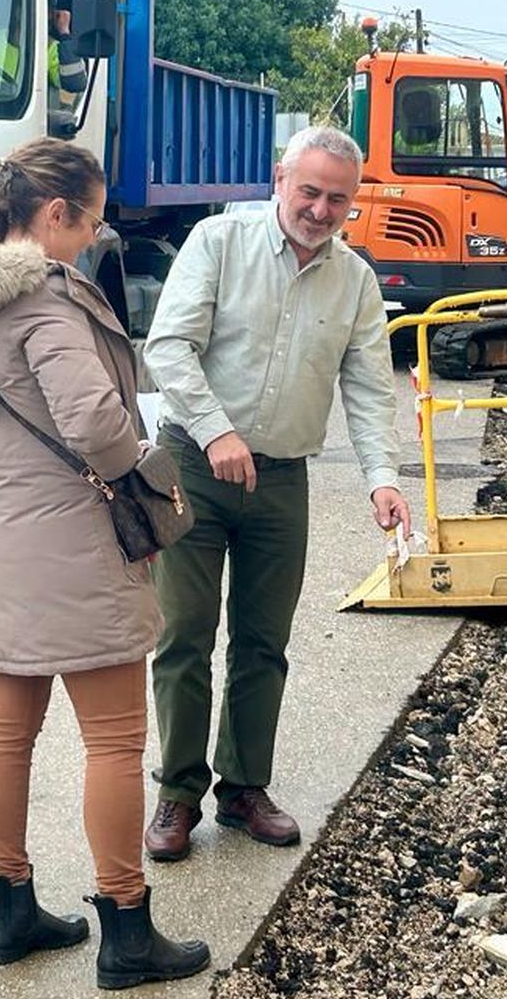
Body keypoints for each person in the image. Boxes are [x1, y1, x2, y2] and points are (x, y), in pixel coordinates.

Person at [0, 139, 209, 990]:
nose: (94, 237)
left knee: (6, 731)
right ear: (55, 213)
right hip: (72, 542)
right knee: (114, 739)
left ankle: (11, 912)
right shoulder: (42, 299)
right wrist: (139, 462)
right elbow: (96, 425)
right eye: (91, 220)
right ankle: (127, 929)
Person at [141, 125, 413, 863]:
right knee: (184, 633)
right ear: (280, 181)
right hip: (194, 467)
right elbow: (168, 348)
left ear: (353, 202)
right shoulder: (218, 244)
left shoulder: (354, 281)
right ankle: (178, 791)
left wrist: (382, 479)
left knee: (264, 641)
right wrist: (217, 432)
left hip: (283, 478)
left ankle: (243, 788)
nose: (321, 211)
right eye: (310, 192)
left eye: (338, 200)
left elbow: (368, 388)